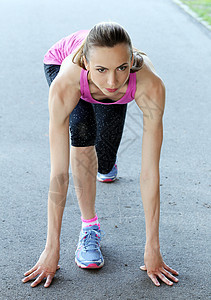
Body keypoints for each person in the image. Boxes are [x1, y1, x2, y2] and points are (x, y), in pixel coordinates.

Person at [22, 22, 179, 288]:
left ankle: (107, 162)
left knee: (103, 163)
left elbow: (151, 171)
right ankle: (89, 227)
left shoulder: (150, 84)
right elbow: (60, 173)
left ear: (131, 60)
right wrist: (51, 247)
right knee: (83, 135)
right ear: (85, 62)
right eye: (102, 70)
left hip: (106, 84)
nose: (112, 81)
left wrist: (153, 246)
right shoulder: (66, 82)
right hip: (64, 67)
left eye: (121, 68)